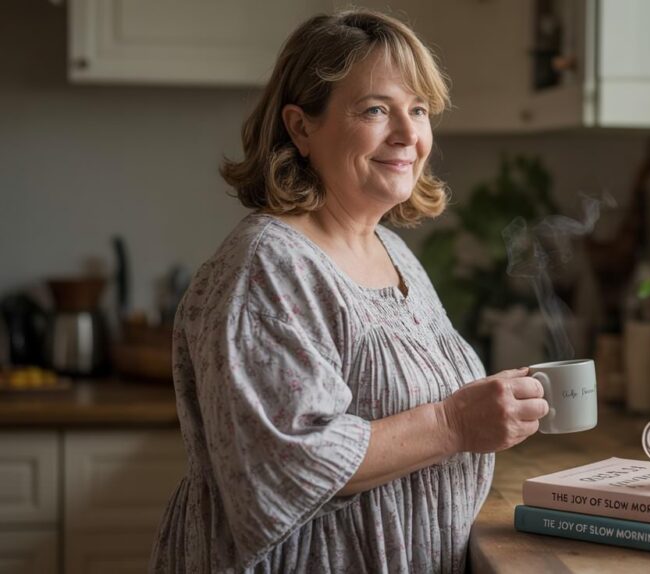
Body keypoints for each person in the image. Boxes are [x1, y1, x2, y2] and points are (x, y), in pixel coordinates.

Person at [150, 9, 549, 573]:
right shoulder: (267, 266)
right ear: (301, 127)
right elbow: (282, 466)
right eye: (376, 109)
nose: (409, 135)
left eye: (419, 110)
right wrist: (455, 424)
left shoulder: (392, 250)